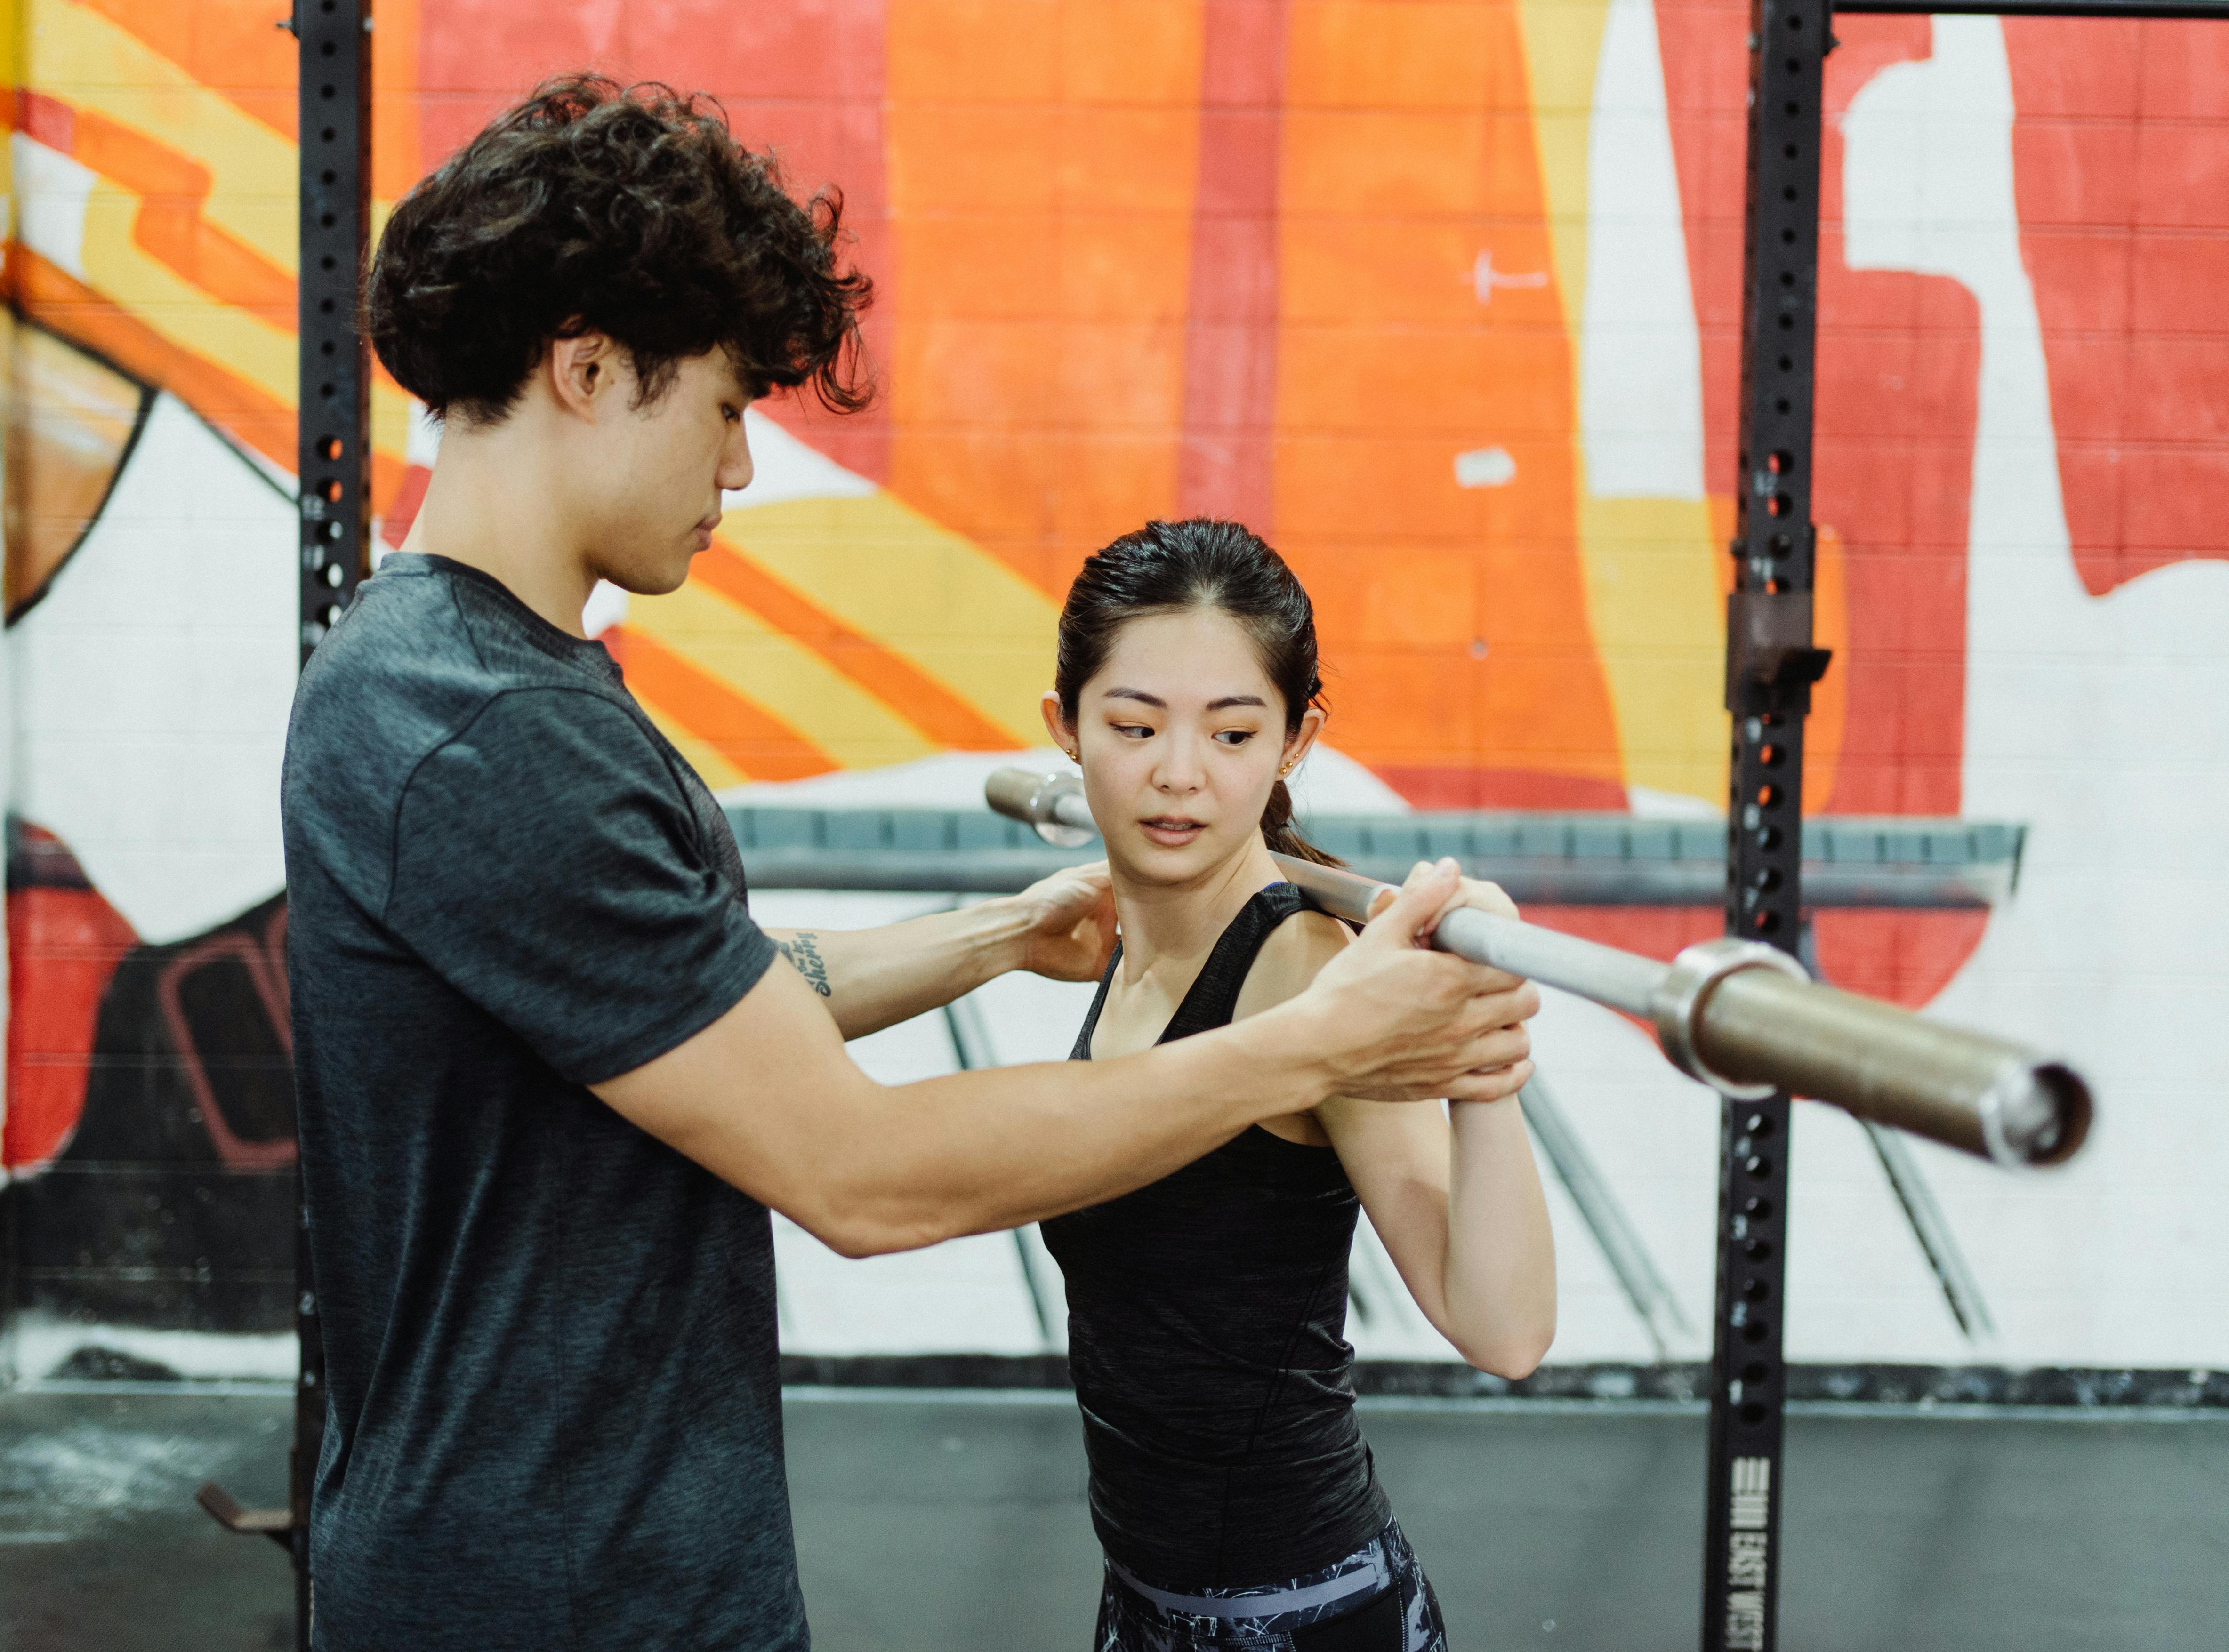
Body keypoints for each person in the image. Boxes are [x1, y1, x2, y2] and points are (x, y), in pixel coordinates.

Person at [283, 76, 1540, 1651]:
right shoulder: (484, 733)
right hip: (555, 1592)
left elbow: (708, 1005)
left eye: (1230, 734)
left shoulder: (482, 684)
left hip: (594, 1558)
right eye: (729, 409)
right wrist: (1308, 1044)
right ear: (589, 369)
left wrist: (998, 938)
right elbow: (862, 1181)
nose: (737, 471)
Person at [1033, 519, 1558, 1652]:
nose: (1179, 775)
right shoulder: (1128, 934)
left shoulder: (1301, 973)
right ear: (1063, 729)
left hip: (1307, 1615)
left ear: (1293, 740)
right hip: (1141, 1604)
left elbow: (1503, 1329)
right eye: (1133, 726)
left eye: (1232, 732)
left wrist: (1485, 1070)